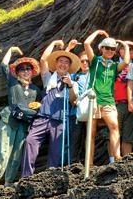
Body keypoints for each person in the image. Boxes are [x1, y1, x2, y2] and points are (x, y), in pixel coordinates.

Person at [21, 40, 79, 177]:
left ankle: (50, 178)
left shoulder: (73, 83)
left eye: (66, 62)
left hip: (60, 121)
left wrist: (70, 85)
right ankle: (26, 176)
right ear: (56, 63)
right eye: (61, 61)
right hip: (42, 117)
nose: (63, 64)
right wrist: (53, 43)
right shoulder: (49, 78)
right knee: (30, 141)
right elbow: (43, 60)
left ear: (69, 66)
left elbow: (73, 100)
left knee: (56, 151)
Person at [0, 47, 41, 190]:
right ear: (17, 73)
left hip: (23, 125)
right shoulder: (13, 82)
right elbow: (4, 66)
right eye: (22, 69)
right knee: (2, 149)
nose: (25, 71)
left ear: (32, 72)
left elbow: (39, 108)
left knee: (17, 154)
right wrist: (10, 50)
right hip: (9, 120)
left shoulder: (36, 90)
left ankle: (9, 181)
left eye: (28, 69)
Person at [83, 30, 130, 165]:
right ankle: (89, 163)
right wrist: (97, 32)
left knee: (114, 126)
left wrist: (124, 45)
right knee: (91, 133)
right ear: (102, 49)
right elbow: (86, 43)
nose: (110, 51)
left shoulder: (114, 65)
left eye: (112, 49)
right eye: (107, 48)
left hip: (108, 100)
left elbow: (126, 61)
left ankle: (117, 157)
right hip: (93, 100)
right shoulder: (95, 61)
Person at [115, 42, 133, 157]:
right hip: (116, 103)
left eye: (131, 49)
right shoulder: (114, 65)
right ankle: (114, 160)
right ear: (119, 51)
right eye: (124, 48)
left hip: (132, 104)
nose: (128, 51)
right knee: (114, 133)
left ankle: (126, 160)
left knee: (128, 135)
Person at [70, 49, 90, 164]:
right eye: (82, 61)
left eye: (87, 61)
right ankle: (73, 164)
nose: (85, 63)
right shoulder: (74, 76)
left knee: (89, 138)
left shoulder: (94, 75)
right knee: (75, 139)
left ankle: (87, 162)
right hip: (76, 112)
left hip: (90, 111)